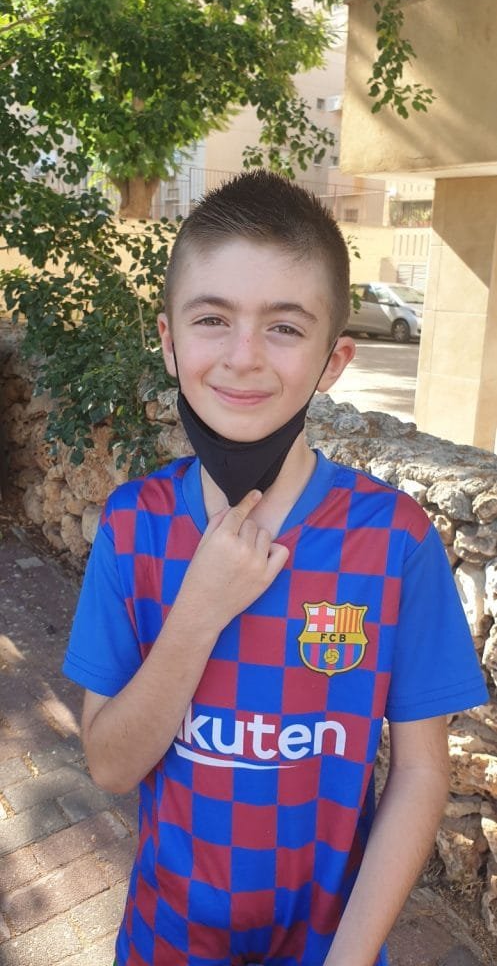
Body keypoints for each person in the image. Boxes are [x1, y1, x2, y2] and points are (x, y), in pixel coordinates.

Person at [63, 171, 488, 966]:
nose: (243, 357)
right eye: (211, 319)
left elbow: (419, 772)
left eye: (285, 327)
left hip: (329, 945)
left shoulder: (393, 542)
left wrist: (348, 957)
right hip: (165, 942)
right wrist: (199, 611)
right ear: (169, 341)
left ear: (333, 360)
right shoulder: (132, 525)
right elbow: (111, 765)